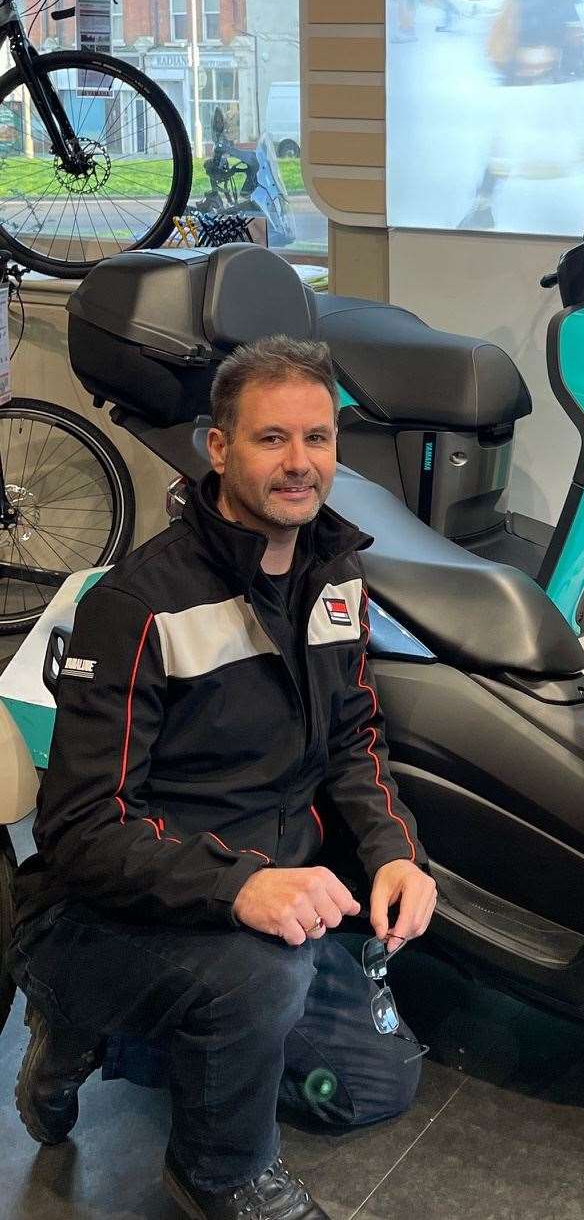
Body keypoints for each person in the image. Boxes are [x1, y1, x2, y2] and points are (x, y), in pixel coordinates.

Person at [9, 336, 440, 1220]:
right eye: (270, 439)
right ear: (217, 447)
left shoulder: (335, 574)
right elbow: (83, 830)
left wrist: (397, 854)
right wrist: (242, 887)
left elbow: (355, 737)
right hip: (110, 907)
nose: (299, 463)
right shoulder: (138, 604)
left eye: (317, 439)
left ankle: (152, 1040)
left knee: (372, 1083)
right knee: (257, 983)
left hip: (268, 890)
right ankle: (213, 1165)